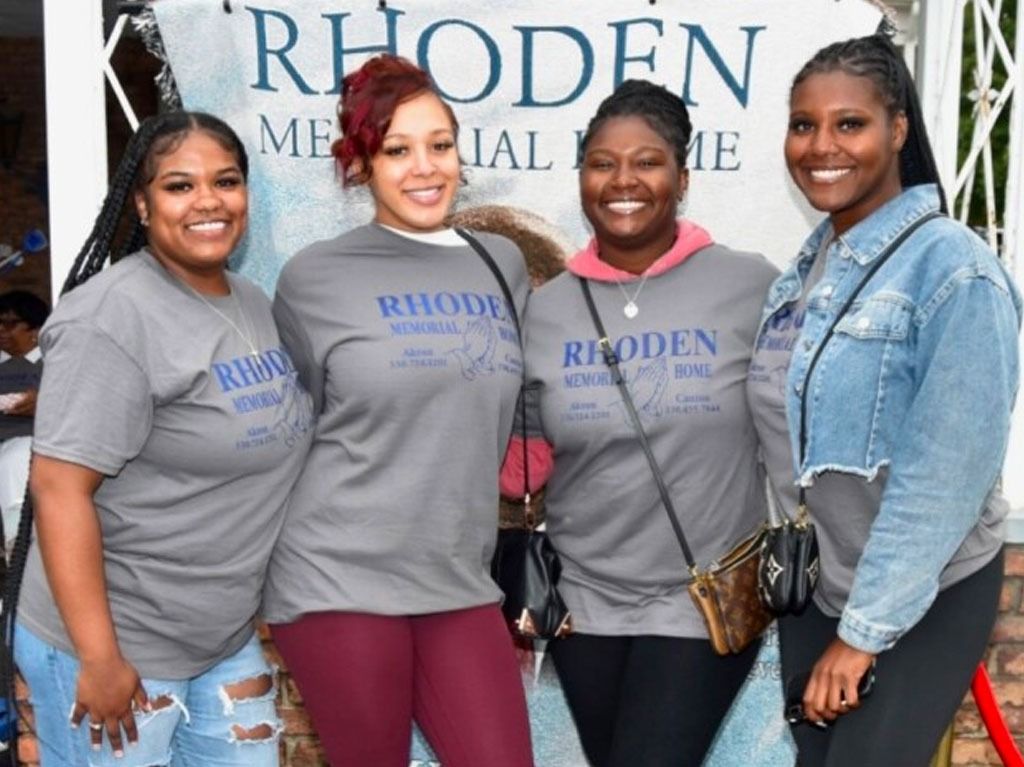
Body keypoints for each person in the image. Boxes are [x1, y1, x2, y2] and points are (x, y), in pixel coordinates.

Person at [748, 33, 1022, 766]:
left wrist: (863, 632)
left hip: (923, 588)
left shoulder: (956, 272)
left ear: (898, 130)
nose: (820, 145)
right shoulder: (810, 270)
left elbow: (945, 478)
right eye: (803, 124)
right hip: (821, 583)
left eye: (849, 123)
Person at [12, 111, 314, 767]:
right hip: (114, 641)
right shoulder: (111, 318)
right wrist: (99, 656)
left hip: (216, 637)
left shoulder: (253, 303)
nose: (208, 200)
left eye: (226, 181)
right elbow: (59, 490)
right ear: (143, 205)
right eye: (180, 186)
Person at [262, 54, 534, 767]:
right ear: (361, 165)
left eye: (439, 144)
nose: (425, 167)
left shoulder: (498, 262)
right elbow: (291, 428)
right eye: (397, 149)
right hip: (337, 577)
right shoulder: (314, 276)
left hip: (458, 577)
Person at [500, 79, 779, 767]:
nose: (623, 179)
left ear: (682, 178)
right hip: (583, 605)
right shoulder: (546, 308)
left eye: (647, 161)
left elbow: (795, 429)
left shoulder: (751, 287)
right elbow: (521, 460)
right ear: (582, 177)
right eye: (602, 162)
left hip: (702, 599)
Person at [0, 290, 49, 545]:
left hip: (34, 447)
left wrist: (47, 400)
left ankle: (18, 545)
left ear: (35, 328)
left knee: (16, 457)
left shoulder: (54, 363)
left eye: (10, 324)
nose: (2, 331)